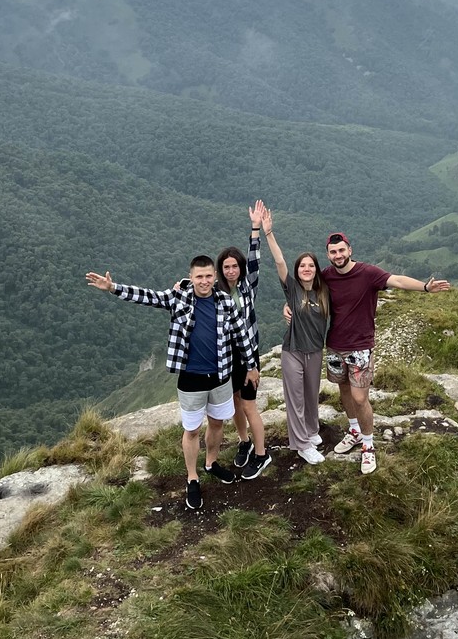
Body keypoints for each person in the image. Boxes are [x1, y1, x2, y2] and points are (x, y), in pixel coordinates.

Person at [85, 254, 261, 511]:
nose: (204, 281)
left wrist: (251, 365)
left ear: (215, 277)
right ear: (191, 277)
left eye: (208, 276)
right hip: (190, 378)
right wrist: (113, 288)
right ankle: (192, 477)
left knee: (217, 423)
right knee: (191, 431)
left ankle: (211, 463)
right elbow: (148, 296)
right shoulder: (179, 298)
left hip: (221, 376)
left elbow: (241, 334)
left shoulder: (224, 301)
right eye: (199, 276)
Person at [319, 231, 450, 475]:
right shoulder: (326, 276)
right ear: (328, 255)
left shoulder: (368, 273)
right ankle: (354, 431)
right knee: (344, 390)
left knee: (360, 398)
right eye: (333, 252)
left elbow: (397, 280)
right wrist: (288, 305)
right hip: (335, 344)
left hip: (360, 345)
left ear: (350, 250)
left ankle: (368, 446)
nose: (338, 255)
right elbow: (303, 288)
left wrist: (424, 287)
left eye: (341, 250)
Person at [259, 205, 329, 464]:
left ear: (316, 269)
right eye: (303, 266)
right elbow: (279, 261)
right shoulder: (292, 289)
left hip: (316, 350)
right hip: (293, 351)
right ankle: (301, 444)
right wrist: (269, 234)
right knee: (296, 397)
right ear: (298, 271)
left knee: (312, 394)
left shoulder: (325, 292)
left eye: (311, 265)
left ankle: (311, 431)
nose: (306, 269)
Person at [214, 201, 271, 477]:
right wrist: (182, 286)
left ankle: (262, 454)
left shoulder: (249, 286)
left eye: (234, 266)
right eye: (226, 267)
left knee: (248, 404)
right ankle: (244, 442)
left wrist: (255, 228)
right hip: (228, 356)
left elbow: (255, 257)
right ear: (220, 270)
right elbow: (196, 286)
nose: (231, 271)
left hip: (249, 354)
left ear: (240, 268)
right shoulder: (216, 292)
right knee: (236, 401)